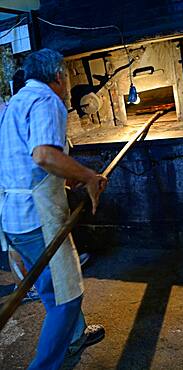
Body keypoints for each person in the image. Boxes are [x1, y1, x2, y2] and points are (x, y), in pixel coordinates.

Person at [0, 48, 108, 369]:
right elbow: (43, 155)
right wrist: (88, 176)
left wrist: (65, 179)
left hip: (13, 216)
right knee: (68, 294)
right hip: (38, 218)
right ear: (59, 76)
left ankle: (75, 336)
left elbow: (21, 161)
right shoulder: (47, 100)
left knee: (51, 287)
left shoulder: (14, 103)